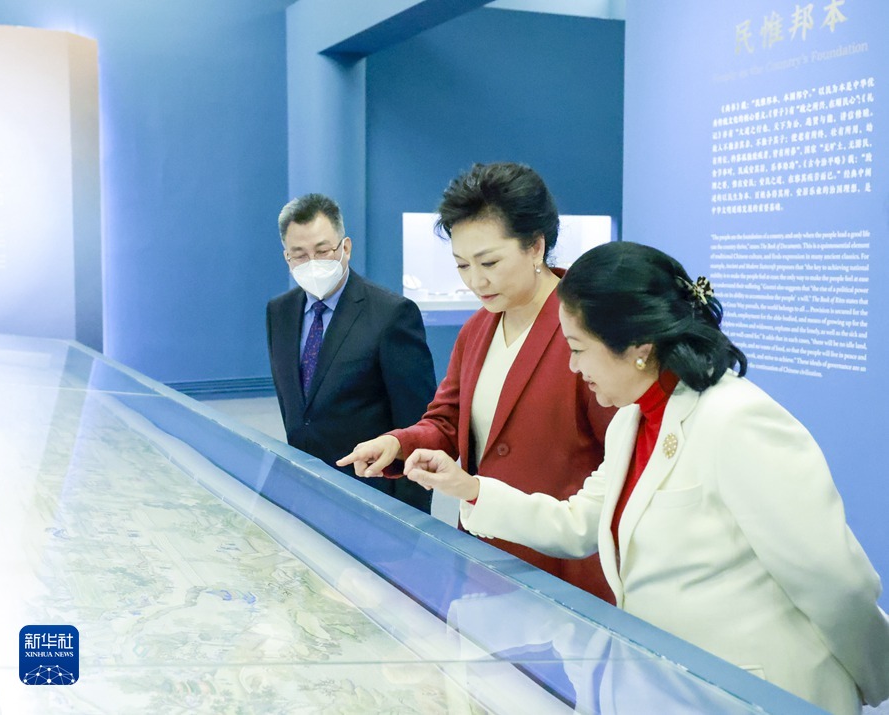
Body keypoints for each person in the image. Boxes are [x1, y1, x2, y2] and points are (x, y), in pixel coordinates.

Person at [399, 240, 889, 715]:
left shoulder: (736, 421)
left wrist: (877, 681)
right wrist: (469, 489)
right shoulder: (633, 421)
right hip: (675, 688)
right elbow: (579, 523)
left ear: (639, 348)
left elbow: (834, 582)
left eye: (579, 349)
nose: (573, 366)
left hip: (758, 692)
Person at [338, 163, 616, 600]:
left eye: (489, 262)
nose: (475, 281)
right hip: (483, 552)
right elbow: (447, 420)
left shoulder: (587, 330)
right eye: (462, 265)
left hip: (564, 565)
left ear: (535, 247)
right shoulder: (477, 330)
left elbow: (621, 456)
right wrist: (399, 443)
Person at [266, 193, 436, 512]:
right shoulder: (279, 312)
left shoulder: (391, 314)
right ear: (287, 257)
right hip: (304, 490)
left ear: (345, 248)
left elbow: (417, 425)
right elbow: (296, 410)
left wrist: (411, 519)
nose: (312, 262)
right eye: (299, 254)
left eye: (322, 251)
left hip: (372, 495)